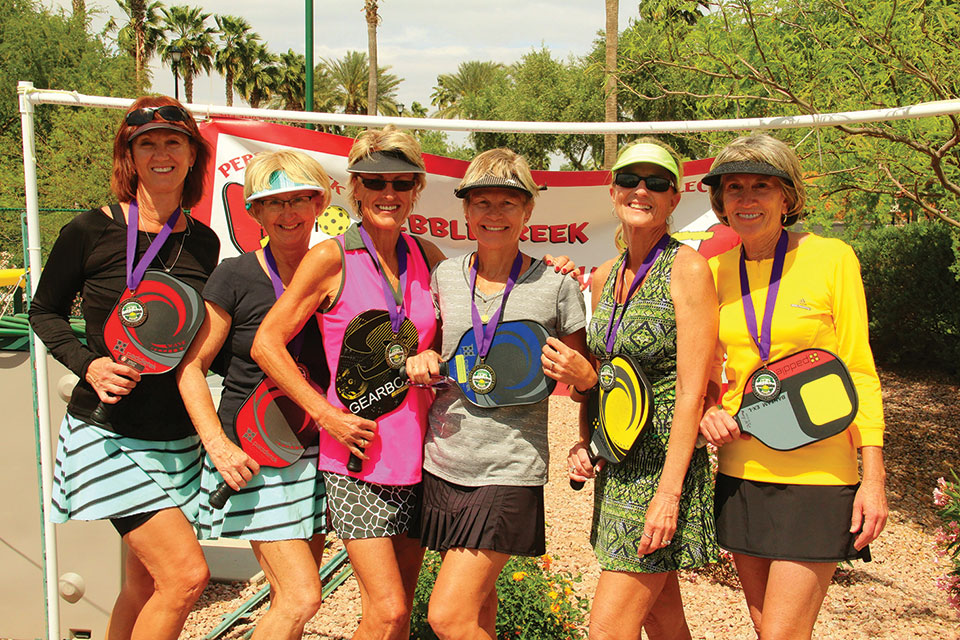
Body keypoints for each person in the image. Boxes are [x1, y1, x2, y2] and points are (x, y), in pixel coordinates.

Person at [29, 96, 218, 640]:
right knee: (186, 578)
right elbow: (44, 312)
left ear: (191, 155)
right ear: (129, 157)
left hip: (175, 439)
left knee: (146, 586)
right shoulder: (88, 231)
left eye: (172, 142)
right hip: (108, 434)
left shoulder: (204, 242)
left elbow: (203, 340)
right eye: (147, 144)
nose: (161, 154)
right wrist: (88, 366)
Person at [251, 126, 446, 640]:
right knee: (388, 612)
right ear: (353, 188)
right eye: (374, 181)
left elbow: (473, 322)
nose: (388, 193)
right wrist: (324, 414)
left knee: (396, 612)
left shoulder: (428, 257)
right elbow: (266, 344)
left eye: (401, 183)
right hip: (357, 459)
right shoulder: (331, 257)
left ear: (416, 189)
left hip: (421, 457)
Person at [698, 133, 888, 639]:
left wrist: (873, 478)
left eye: (762, 185)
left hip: (821, 475)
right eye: (734, 187)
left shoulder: (832, 258)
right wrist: (708, 410)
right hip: (740, 470)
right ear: (720, 201)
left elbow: (860, 371)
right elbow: (707, 371)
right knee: (772, 632)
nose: (746, 198)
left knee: (781, 633)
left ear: (788, 197)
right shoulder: (714, 272)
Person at [403, 148, 594, 640]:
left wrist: (582, 382)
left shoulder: (556, 284)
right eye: (481, 202)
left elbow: (583, 379)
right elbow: (430, 349)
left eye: (508, 203)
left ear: (528, 211)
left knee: (447, 617)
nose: (494, 214)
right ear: (465, 211)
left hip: (509, 467)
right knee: (477, 607)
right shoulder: (445, 276)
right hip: (443, 461)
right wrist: (421, 360)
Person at [563, 140, 719, 640]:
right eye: (630, 181)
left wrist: (669, 495)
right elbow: (602, 373)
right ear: (613, 192)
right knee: (662, 618)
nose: (641, 190)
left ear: (675, 199)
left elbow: (694, 393)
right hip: (619, 466)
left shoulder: (687, 270)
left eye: (656, 183)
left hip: (661, 471)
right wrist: (587, 439)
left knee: (609, 628)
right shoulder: (606, 276)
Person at [176, 150, 332, 639]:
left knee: (298, 602)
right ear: (255, 212)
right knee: (302, 595)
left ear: (319, 203)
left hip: (317, 454)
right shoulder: (235, 276)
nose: (289, 213)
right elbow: (191, 367)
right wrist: (218, 448)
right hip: (252, 457)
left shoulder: (334, 270)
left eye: (300, 199)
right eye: (274, 202)